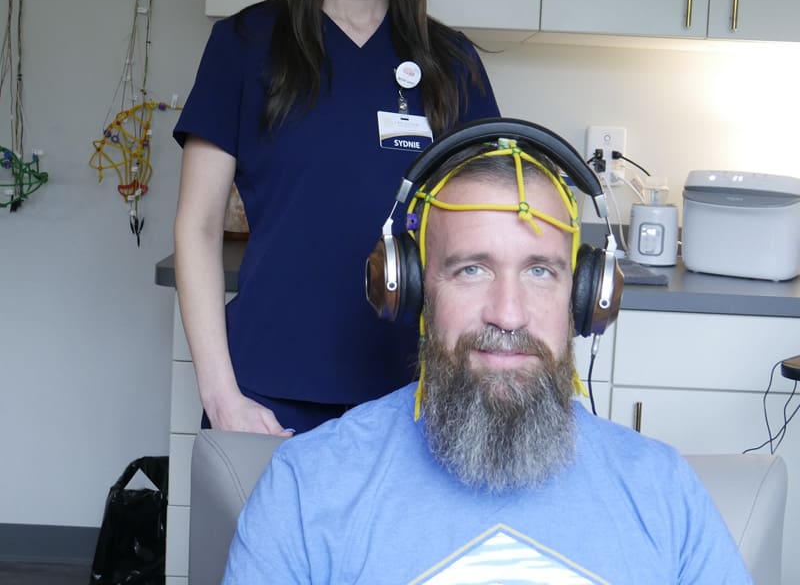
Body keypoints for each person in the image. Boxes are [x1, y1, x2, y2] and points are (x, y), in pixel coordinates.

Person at [222, 123, 752, 584]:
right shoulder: (306, 491)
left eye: (540, 271)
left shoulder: (663, 492)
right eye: (471, 269)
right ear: (411, 288)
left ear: (587, 296)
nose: (508, 313)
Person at [172, 0, 499, 436]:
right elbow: (198, 225)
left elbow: (489, 237)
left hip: (417, 404)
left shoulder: (453, 64)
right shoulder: (243, 45)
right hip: (266, 399)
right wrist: (222, 397)